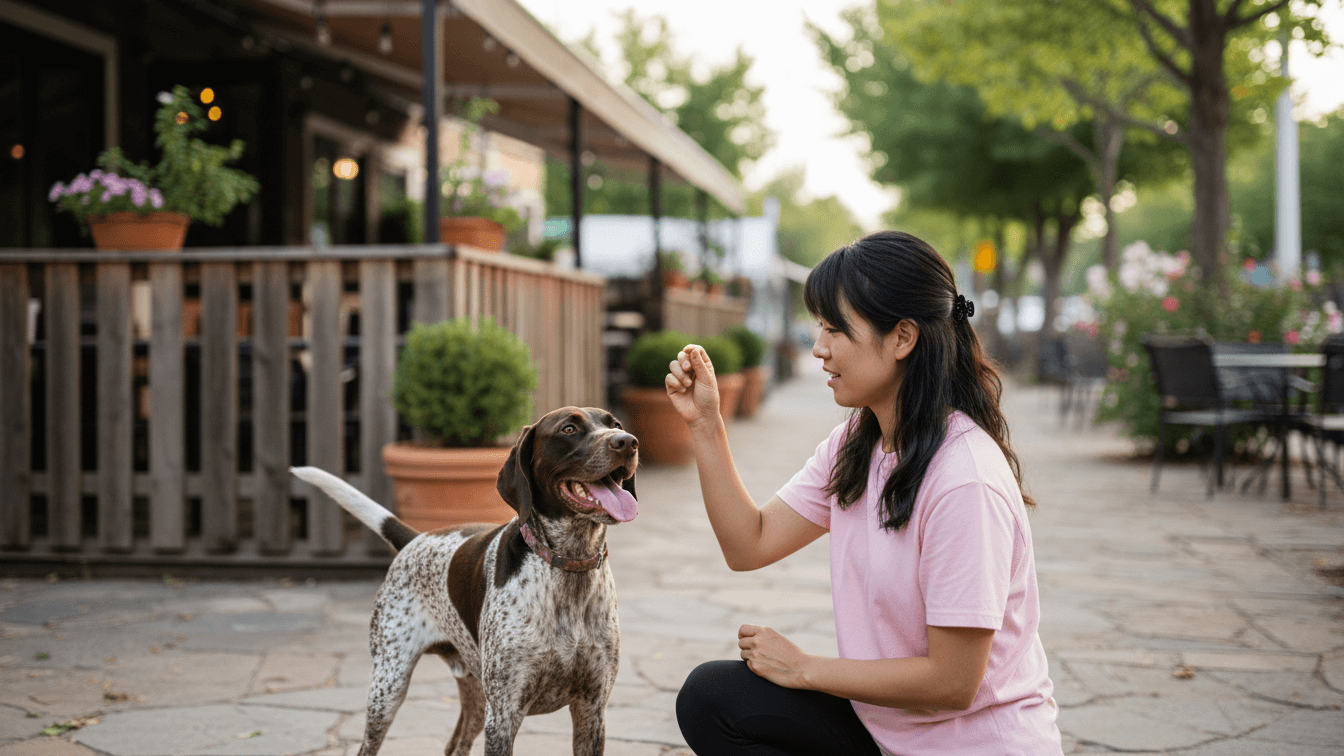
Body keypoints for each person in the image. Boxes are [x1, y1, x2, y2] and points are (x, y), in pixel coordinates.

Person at [667, 230, 1063, 755]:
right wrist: (706, 426)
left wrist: (807, 669)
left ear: (902, 337)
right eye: (819, 327)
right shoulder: (859, 441)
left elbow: (953, 682)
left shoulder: (965, 481)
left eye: (836, 329)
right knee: (712, 698)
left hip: (972, 745)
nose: (819, 348)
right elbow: (750, 543)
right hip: (887, 735)